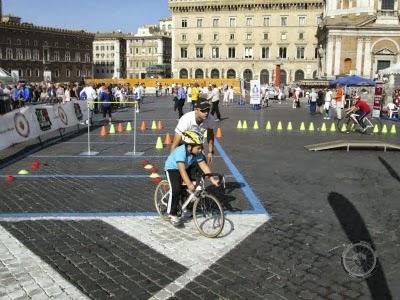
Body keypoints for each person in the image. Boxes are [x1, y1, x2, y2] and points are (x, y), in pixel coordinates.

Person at [164, 130, 220, 226]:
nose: (201, 150)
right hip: (172, 168)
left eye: (201, 147)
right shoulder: (181, 151)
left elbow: (204, 166)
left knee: (187, 188)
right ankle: (172, 213)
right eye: (199, 148)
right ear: (190, 146)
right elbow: (181, 170)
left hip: (184, 167)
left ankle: (183, 207)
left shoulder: (196, 153)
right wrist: (189, 184)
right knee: (176, 189)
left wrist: (212, 179)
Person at [171, 100, 215, 164]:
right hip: (184, 145)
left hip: (197, 145)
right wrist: (171, 164)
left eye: (208, 110)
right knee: (182, 168)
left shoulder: (210, 119)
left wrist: (210, 152)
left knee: (203, 168)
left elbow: (210, 135)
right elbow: (175, 144)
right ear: (195, 110)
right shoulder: (186, 119)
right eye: (203, 110)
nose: (206, 113)